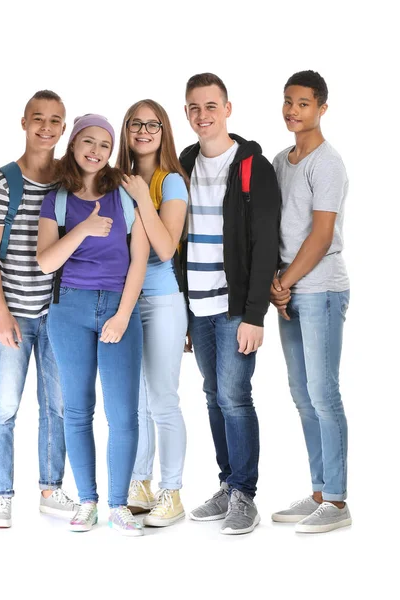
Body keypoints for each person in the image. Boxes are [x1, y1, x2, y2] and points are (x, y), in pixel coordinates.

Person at [37, 114, 150, 536]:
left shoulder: (124, 194)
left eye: (104, 144)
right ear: (74, 144)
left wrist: (122, 315)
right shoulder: (58, 200)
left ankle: (118, 504)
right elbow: (47, 260)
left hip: (119, 308)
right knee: (77, 409)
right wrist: (82, 229)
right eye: (88, 141)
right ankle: (87, 501)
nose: (96, 151)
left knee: (122, 413)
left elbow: (139, 259)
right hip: (70, 310)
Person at [179, 73, 280, 535]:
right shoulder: (183, 163)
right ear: (187, 113)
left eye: (211, 106)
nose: (203, 115)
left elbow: (265, 248)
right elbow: (177, 241)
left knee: (235, 398)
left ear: (228, 109)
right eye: (195, 108)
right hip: (195, 306)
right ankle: (227, 483)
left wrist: (255, 315)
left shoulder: (252, 166)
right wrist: (181, 312)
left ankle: (244, 494)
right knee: (211, 396)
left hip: (235, 306)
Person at [0, 90, 78, 528]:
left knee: (55, 406)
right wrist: (1, 314)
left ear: (63, 128)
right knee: (4, 407)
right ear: (23, 122)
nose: (46, 127)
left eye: (55, 121)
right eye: (38, 119)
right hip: (13, 314)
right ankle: (1, 496)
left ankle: (51, 489)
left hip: (56, 314)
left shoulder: (67, 182)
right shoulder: (3, 182)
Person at [270, 70, 352, 533]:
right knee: (302, 395)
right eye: (287, 101)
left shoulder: (329, 163)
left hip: (320, 288)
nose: (292, 111)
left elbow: (321, 236)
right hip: (289, 290)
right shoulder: (283, 159)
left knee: (324, 393)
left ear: (321, 108)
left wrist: (285, 282)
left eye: (303, 103)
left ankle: (338, 502)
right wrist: (277, 286)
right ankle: (321, 490)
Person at [116, 99, 189, 527]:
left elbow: (166, 248)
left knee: (163, 400)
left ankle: (172, 491)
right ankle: (140, 483)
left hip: (161, 302)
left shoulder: (171, 182)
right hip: (124, 301)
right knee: (137, 402)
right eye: (135, 124)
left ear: (164, 131)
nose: (143, 131)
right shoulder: (116, 180)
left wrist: (144, 197)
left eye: (153, 124)